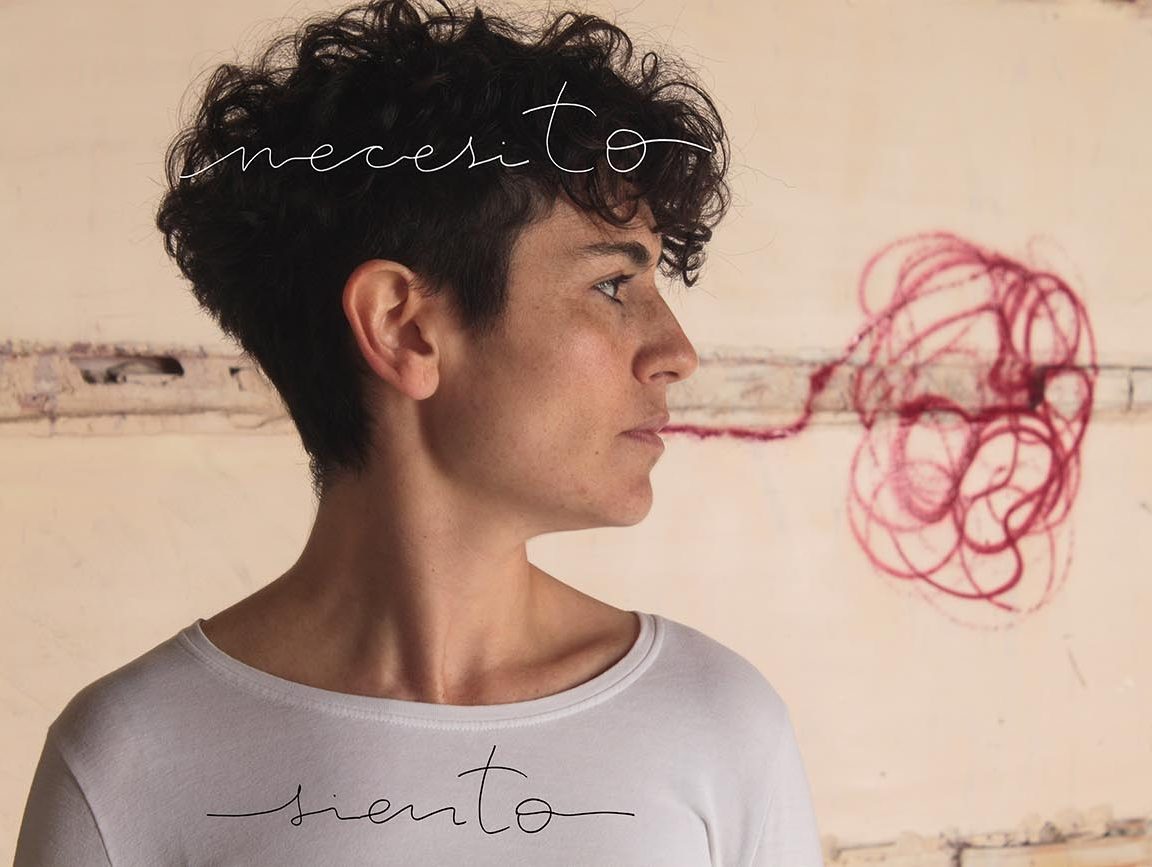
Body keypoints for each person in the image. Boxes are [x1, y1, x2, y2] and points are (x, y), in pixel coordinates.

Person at [13, 1, 825, 864]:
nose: (676, 353)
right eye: (612, 286)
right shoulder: (129, 762)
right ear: (403, 327)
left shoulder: (718, 727)